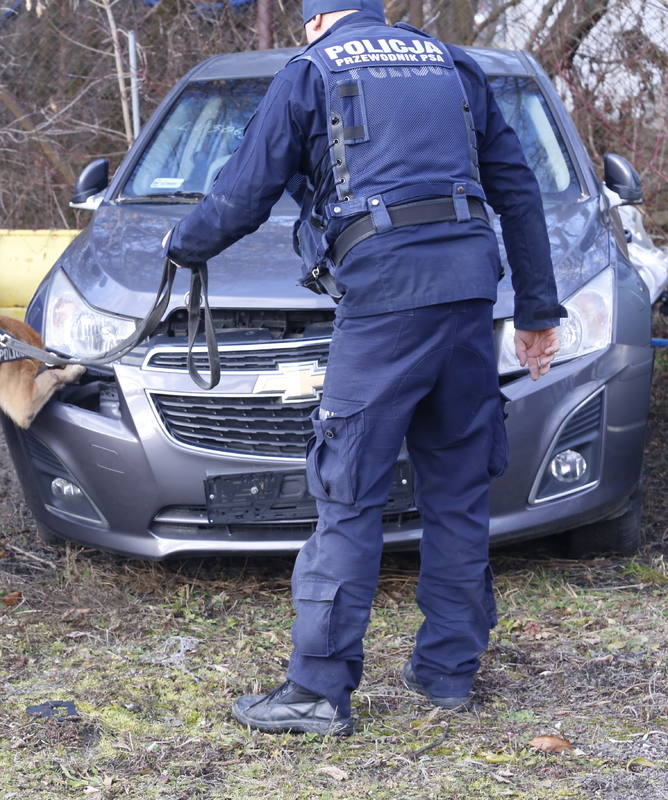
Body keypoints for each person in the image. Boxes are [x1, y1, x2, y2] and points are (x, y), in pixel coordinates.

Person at [165, 0, 564, 736]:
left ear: (316, 19)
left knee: (348, 490)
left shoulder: (311, 70)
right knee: (457, 484)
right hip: (472, 291)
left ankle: (317, 690)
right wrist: (538, 310)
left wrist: (183, 247)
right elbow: (517, 188)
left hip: (384, 297)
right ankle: (447, 671)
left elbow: (243, 192)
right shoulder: (452, 64)